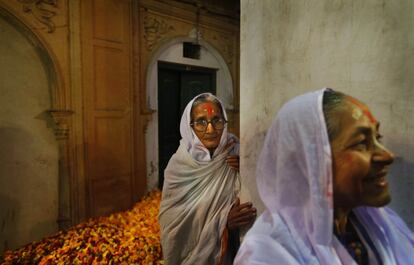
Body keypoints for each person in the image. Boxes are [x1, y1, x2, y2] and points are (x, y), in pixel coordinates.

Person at [234, 88, 414, 265]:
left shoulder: (382, 225)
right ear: (312, 161)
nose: (387, 156)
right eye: (361, 143)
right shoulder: (268, 252)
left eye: (378, 137)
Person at [159, 93, 256, 265]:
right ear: (190, 126)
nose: (210, 130)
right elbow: (173, 224)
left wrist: (248, 169)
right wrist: (223, 222)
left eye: (217, 120)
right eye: (201, 122)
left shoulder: (236, 150)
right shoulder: (178, 167)